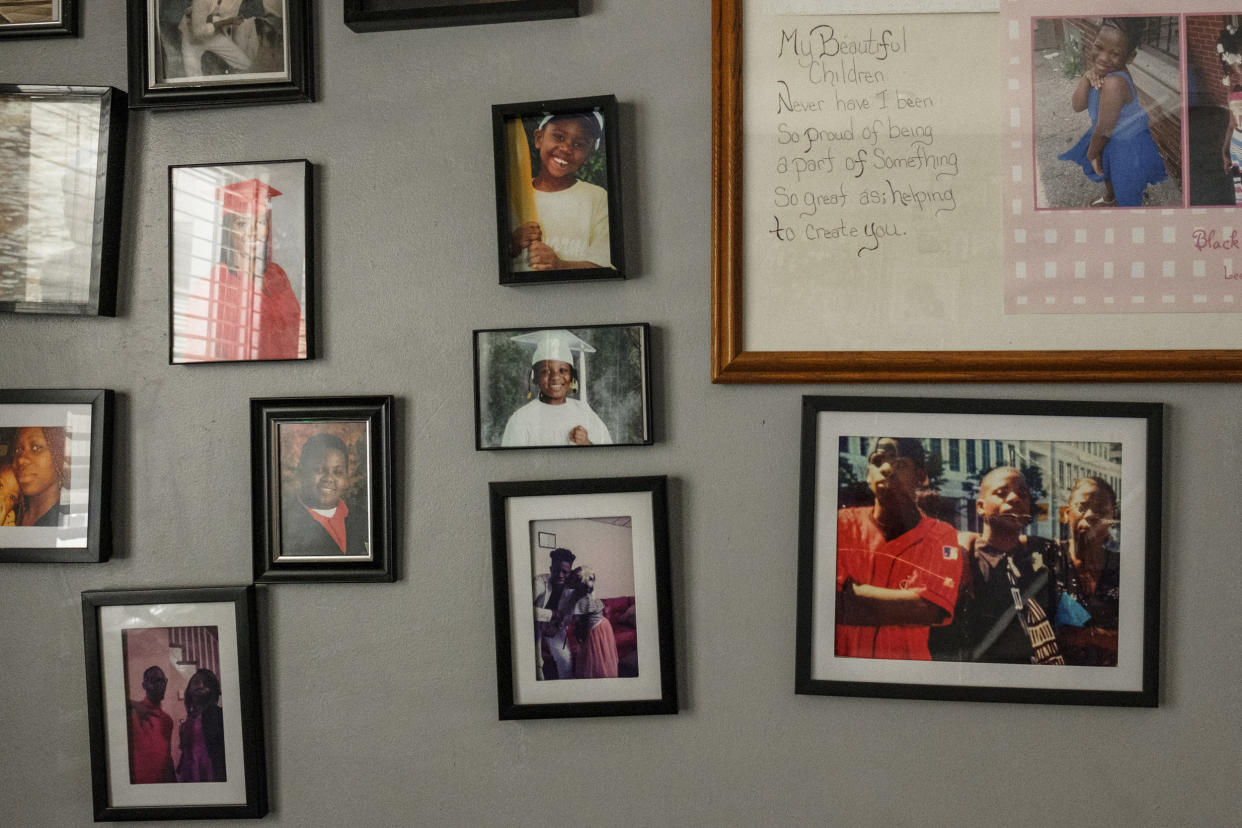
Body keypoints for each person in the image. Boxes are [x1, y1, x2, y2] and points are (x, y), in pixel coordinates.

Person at [834, 437, 963, 660]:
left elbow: (927, 609)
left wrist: (850, 594)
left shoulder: (941, 535)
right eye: (877, 461)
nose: (886, 468)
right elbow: (824, 603)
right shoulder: (841, 524)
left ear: (921, 477)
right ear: (868, 474)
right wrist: (903, 602)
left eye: (900, 463)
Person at [942, 467, 1064, 665]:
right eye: (1001, 493)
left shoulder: (1039, 554)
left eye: (1023, 494)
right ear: (980, 507)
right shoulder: (966, 561)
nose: (1015, 498)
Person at [190, 177, 303, 362]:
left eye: (260, 222)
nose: (253, 232)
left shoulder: (277, 275)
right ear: (228, 229)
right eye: (242, 224)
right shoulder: (213, 284)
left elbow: (298, 332)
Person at [1058, 19, 1167, 207]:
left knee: (1126, 184)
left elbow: (1104, 129)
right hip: (1108, 137)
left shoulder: (1114, 83)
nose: (1102, 58)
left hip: (1125, 143)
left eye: (1115, 54)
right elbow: (1077, 105)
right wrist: (1086, 77)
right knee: (1107, 170)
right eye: (1099, 47)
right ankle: (1110, 198)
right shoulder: (1102, 71)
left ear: (1129, 57)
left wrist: (1092, 153)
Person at [509, 111, 613, 272]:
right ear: (539, 138)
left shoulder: (597, 198)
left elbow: (605, 267)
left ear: (587, 156)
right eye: (559, 137)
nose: (566, 148)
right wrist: (511, 244)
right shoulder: (515, 196)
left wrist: (561, 265)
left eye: (579, 144)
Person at [501, 330, 612, 447]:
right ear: (535, 377)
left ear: (571, 377)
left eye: (562, 370)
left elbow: (607, 455)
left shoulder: (584, 411)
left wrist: (587, 443)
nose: (555, 377)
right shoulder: (521, 419)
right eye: (545, 371)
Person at [1052, 477, 1120, 666]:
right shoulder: (1046, 556)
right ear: (1066, 514)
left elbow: (1140, 639)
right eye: (1082, 507)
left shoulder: (1125, 568)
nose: (1090, 515)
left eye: (1100, 509)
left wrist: (1087, 636)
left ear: (1112, 518)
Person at [280, 432, 369, 557]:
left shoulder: (363, 518)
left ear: (346, 478)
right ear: (301, 471)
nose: (328, 478)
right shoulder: (283, 523)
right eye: (319, 470)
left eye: (338, 472)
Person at [532, 547, 580, 680]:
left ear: (570, 572)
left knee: (565, 659)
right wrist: (552, 614)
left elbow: (568, 615)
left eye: (565, 572)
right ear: (550, 569)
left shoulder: (571, 590)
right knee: (536, 663)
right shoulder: (539, 582)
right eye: (556, 570)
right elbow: (523, 610)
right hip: (533, 625)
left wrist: (558, 626)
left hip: (556, 625)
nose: (560, 575)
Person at [127, 666, 176, 784]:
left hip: (162, 783)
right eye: (154, 681)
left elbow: (167, 756)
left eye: (163, 681)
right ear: (144, 685)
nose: (160, 685)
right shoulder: (132, 712)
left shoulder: (167, 720)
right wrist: (133, 704)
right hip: (138, 785)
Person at [176, 668, 226, 783]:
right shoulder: (189, 718)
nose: (201, 685)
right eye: (196, 682)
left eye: (206, 683)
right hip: (189, 773)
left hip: (210, 773)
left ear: (212, 690)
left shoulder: (219, 715)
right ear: (189, 690)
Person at [570, 565, 620, 679]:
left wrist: (580, 638)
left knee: (596, 657)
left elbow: (579, 622)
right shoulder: (584, 596)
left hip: (597, 629)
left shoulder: (583, 600)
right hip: (603, 625)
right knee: (601, 655)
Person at [13, 426, 68, 527]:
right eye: (18, 449)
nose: (21, 460)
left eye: (36, 448)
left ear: (59, 455)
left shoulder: (66, 521)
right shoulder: (10, 514)